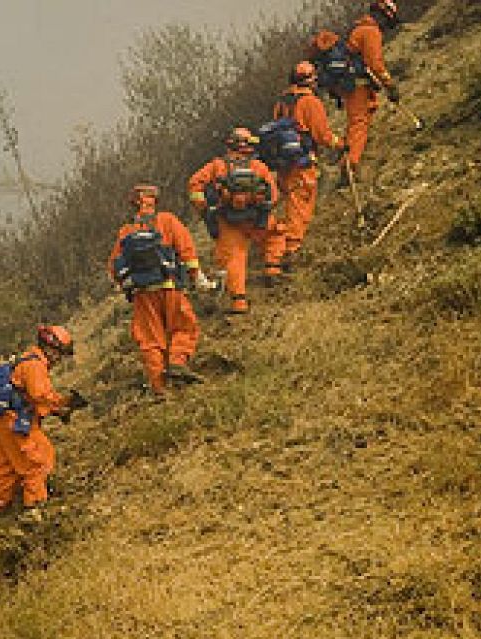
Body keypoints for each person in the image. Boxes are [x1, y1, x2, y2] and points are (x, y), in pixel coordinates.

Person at [107, 184, 213, 396]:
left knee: (149, 340)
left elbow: (114, 267)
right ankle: (177, 362)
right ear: (154, 200)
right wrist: (198, 277)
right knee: (184, 326)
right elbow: (186, 250)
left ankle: (159, 388)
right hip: (170, 287)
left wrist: (127, 286)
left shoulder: (126, 231)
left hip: (143, 294)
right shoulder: (167, 221)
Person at [0, 325, 83, 520]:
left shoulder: (27, 359)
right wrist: (61, 405)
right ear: (50, 348)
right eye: (59, 353)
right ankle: (34, 508)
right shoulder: (35, 365)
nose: (59, 359)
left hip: (3, 420)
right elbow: (40, 395)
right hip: (16, 421)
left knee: (3, 465)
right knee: (38, 460)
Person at [188, 128, 280, 315]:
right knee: (276, 233)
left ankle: (239, 302)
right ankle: (272, 268)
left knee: (234, 258)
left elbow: (194, 184)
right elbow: (273, 194)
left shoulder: (217, 165)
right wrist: (262, 207)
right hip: (255, 218)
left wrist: (204, 207)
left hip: (228, 220)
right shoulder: (258, 167)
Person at [264, 63, 344, 273]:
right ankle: (289, 253)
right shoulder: (310, 102)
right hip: (302, 164)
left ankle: (279, 250)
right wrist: (340, 144)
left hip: (284, 164)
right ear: (310, 80)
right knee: (300, 209)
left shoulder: (282, 102)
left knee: (291, 205)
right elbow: (322, 135)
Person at [344, 0, 401, 180]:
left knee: (365, 113)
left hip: (355, 83)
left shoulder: (360, 28)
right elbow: (375, 64)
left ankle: (351, 158)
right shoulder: (370, 31)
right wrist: (389, 84)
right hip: (357, 85)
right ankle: (350, 165)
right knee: (359, 122)